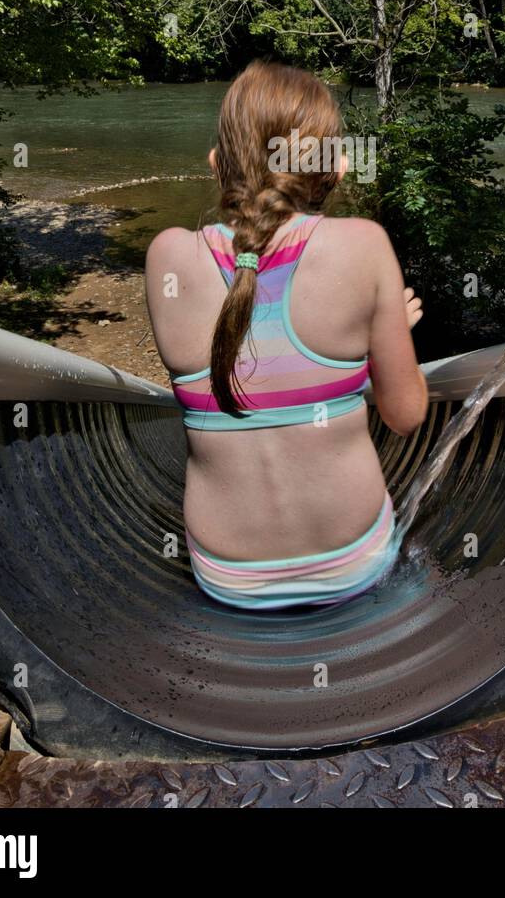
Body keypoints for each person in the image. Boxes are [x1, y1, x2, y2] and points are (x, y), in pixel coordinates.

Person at [145, 60, 428, 610]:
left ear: (216, 164)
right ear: (336, 170)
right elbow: (406, 414)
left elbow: (249, 349)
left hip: (227, 576)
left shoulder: (166, 257)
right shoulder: (364, 245)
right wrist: (383, 338)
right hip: (352, 563)